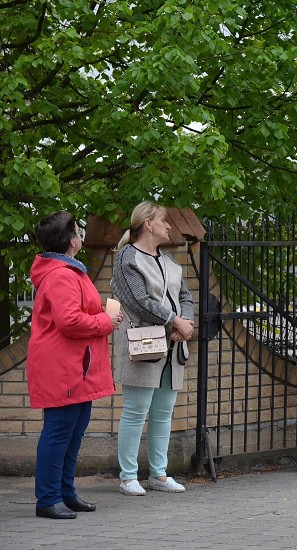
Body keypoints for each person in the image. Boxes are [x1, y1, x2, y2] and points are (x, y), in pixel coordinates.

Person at [28, 211, 121, 519]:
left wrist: (101, 317)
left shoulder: (66, 271)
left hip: (72, 366)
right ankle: (48, 499)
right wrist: (105, 320)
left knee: (73, 431)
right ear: (71, 241)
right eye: (79, 232)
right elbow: (69, 322)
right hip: (62, 367)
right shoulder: (61, 275)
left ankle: (65, 493)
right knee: (59, 433)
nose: (82, 236)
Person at [111, 201, 195, 495]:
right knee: (136, 410)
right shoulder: (127, 259)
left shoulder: (170, 262)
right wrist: (176, 322)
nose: (168, 225)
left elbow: (186, 296)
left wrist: (187, 322)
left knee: (164, 411)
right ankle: (128, 476)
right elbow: (137, 301)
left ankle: (158, 474)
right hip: (143, 345)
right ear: (148, 223)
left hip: (172, 347)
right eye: (163, 220)